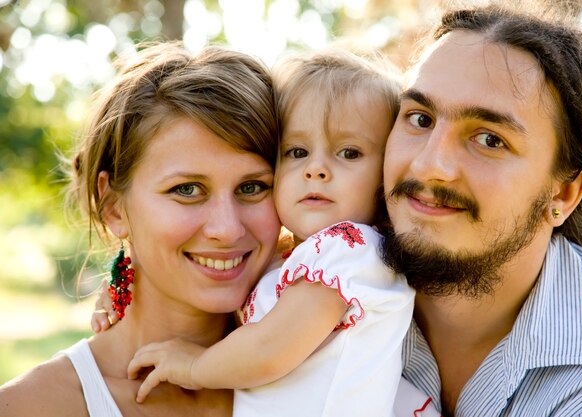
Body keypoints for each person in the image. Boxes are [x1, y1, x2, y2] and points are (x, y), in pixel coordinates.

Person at [124, 49, 440, 417]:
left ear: (387, 170)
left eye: (349, 153)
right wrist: (127, 286)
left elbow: (269, 350)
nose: (316, 169)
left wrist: (195, 368)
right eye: (297, 151)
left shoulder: (351, 251)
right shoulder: (300, 255)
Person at [0, 42, 283, 416]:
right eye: (186, 190)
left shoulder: (323, 366)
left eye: (252, 187)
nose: (227, 230)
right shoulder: (31, 406)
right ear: (114, 207)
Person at [381, 5, 582, 417]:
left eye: (490, 139)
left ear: (565, 193)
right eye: (420, 119)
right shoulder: (316, 282)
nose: (428, 165)